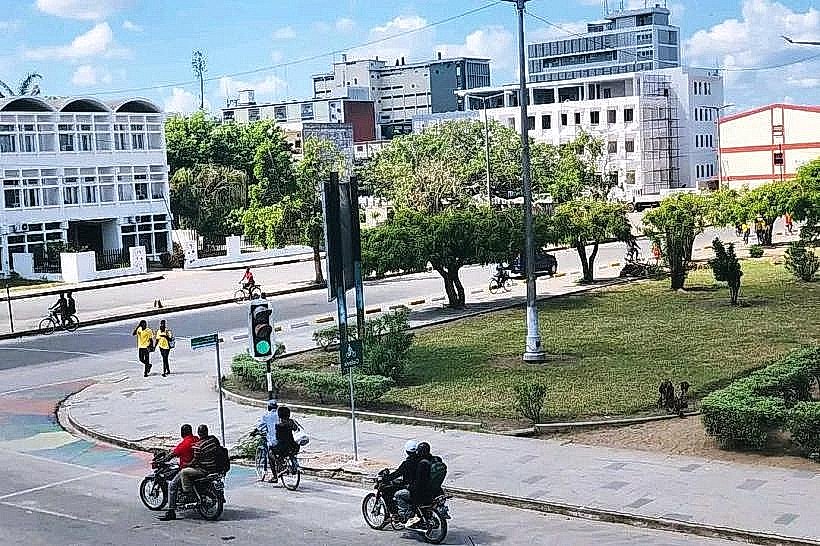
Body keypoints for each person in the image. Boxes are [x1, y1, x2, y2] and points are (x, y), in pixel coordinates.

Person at [159, 424, 220, 521]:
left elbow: (174, 455)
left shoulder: (190, 445)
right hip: (214, 467)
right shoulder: (205, 440)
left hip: (201, 469)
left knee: (172, 485)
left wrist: (186, 464)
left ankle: (172, 510)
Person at [163, 424, 199, 521]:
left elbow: (172, 454)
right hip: (198, 468)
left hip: (188, 469)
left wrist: (163, 459)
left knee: (172, 485)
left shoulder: (184, 444)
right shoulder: (197, 439)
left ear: (182, 433)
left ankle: (171, 511)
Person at [384, 440, 420, 520]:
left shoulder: (407, 464)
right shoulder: (422, 460)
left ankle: (400, 514)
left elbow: (396, 474)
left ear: (406, 451)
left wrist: (385, 478)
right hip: (420, 487)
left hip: (411, 488)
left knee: (390, 492)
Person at [404, 442, 436, 530]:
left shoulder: (420, 463)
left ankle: (412, 518)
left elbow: (419, 481)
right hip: (433, 489)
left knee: (399, 495)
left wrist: (409, 487)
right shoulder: (434, 459)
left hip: (420, 492)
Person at [256, 400, 279, 480]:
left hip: (273, 442)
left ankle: (275, 477)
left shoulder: (266, 416)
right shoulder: (281, 415)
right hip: (285, 441)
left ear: (268, 407)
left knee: (270, 456)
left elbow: (260, 427)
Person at [273, 406, 300, 472]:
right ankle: (293, 464)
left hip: (283, 448)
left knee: (271, 452)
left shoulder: (278, 425)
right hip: (294, 446)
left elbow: (277, 437)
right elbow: (297, 429)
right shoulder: (291, 422)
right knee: (290, 451)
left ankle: (280, 465)